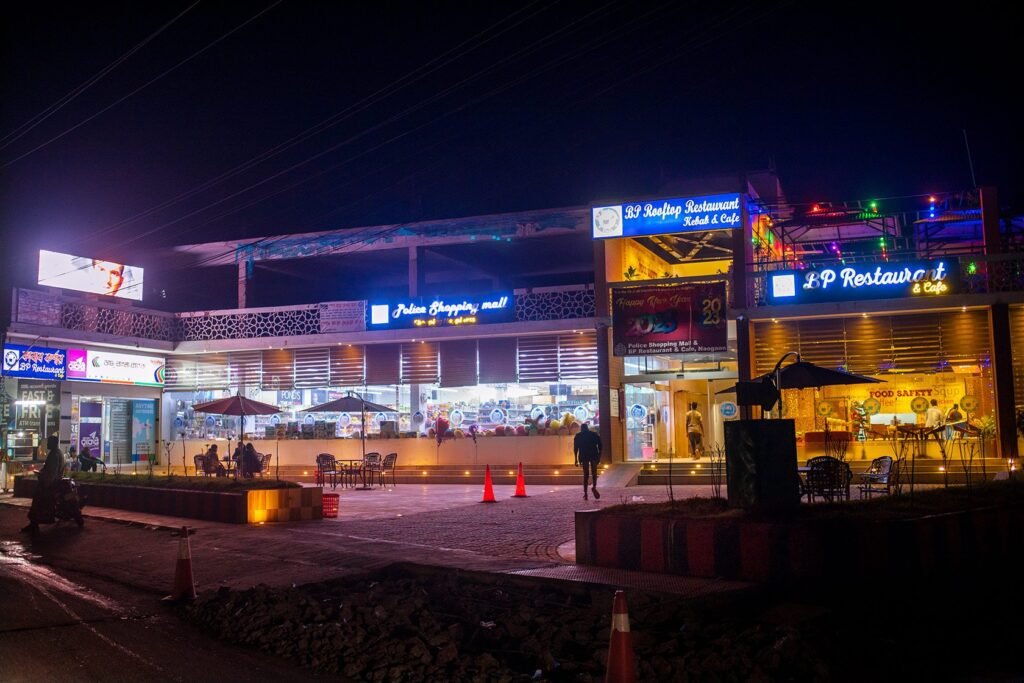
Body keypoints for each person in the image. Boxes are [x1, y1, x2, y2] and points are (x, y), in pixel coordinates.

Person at [22, 435, 65, 533]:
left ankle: (34, 523)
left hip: (49, 484)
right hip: (53, 482)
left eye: (49, 442)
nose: (47, 444)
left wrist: (44, 479)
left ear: (54, 443)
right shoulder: (58, 453)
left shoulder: (54, 455)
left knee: (37, 502)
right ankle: (34, 523)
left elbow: (52, 472)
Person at [573, 423, 602, 501]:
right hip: (593, 455)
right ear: (587, 428)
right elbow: (600, 446)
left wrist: (575, 459)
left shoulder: (578, 436)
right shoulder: (594, 434)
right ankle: (594, 487)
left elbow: (576, 448)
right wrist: (599, 456)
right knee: (594, 473)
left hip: (584, 456)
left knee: (586, 475)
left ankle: (585, 494)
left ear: (581, 429)